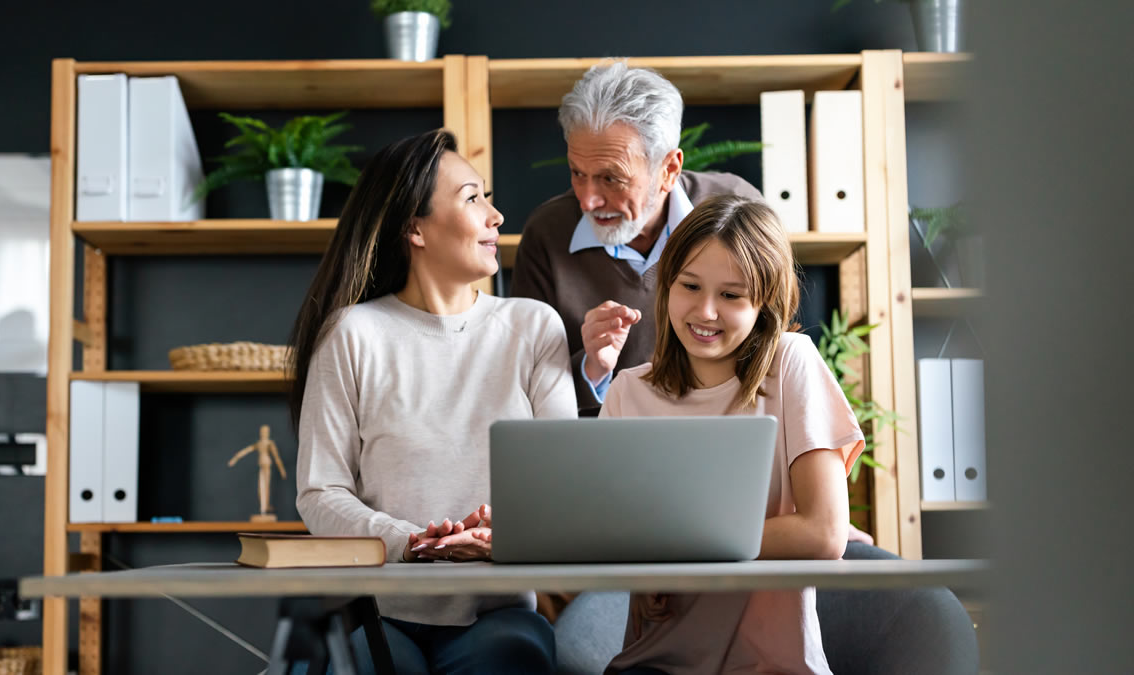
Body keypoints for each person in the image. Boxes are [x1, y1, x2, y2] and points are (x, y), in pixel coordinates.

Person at [288, 129, 576, 674]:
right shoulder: (352, 333)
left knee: (509, 656)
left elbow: (559, 488)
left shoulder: (533, 326)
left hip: (498, 611)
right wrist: (410, 541)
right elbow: (321, 491)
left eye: (488, 197)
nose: (495, 216)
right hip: (379, 610)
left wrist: (498, 536)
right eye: (473, 199)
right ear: (414, 228)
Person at [600, 195, 864, 675]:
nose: (705, 311)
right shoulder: (626, 392)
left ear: (764, 302)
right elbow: (614, 540)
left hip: (775, 664)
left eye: (731, 295)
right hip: (655, 661)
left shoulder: (790, 363)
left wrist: (678, 551)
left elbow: (824, 533)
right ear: (666, 286)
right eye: (690, 285)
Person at [511, 59, 763, 418]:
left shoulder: (738, 208)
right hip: (602, 452)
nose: (587, 199)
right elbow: (526, 388)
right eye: (577, 173)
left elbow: (775, 336)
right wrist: (592, 369)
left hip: (726, 430)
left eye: (611, 178)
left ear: (669, 170)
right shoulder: (546, 233)